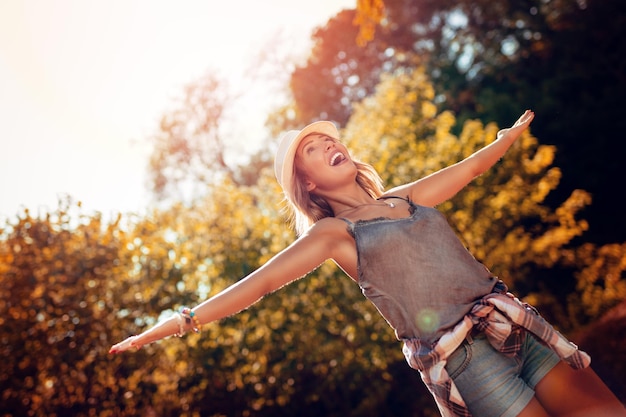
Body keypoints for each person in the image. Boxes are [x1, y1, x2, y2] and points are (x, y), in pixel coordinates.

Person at [110, 110, 626, 417]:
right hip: (466, 360)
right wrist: (181, 321)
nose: (329, 144)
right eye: (312, 149)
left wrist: (504, 141)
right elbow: (262, 282)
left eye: (328, 138)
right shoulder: (334, 235)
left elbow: (464, 172)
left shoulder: (406, 198)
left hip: (509, 319)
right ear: (307, 183)